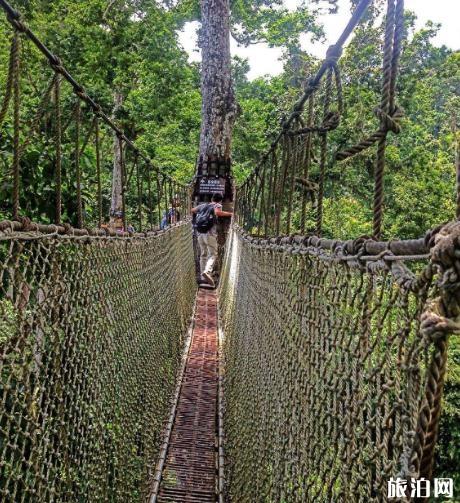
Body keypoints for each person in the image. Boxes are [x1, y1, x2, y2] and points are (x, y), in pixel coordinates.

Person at [192, 193, 232, 287]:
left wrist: (202, 215)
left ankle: (203, 278)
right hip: (210, 235)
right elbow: (218, 212)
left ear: (212, 198)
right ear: (220, 200)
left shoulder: (203, 205)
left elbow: (193, 210)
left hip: (200, 234)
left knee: (203, 254)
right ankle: (207, 271)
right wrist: (231, 213)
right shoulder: (217, 205)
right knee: (213, 254)